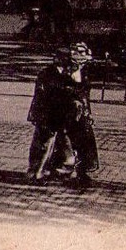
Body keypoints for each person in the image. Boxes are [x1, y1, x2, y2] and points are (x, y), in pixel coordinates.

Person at [27, 43, 99, 186]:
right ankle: (38, 172)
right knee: (45, 142)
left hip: (68, 114)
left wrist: (85, 110)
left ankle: (72, 171)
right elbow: (46, 95)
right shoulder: (49, 73)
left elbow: (81, 94)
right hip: (50, 113)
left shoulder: (74, 74)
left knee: (76, 141)